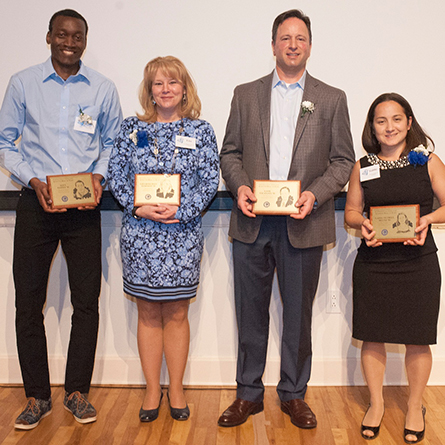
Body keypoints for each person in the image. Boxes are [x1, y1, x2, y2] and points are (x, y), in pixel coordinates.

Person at [219, 9, 355, 429]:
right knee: (250, 312)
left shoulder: (332, 98)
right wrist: (240, 186)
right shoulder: (246, 94)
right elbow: (230, 153)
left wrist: (315, 195)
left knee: (297, 316)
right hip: (252, 221)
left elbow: (342, 160)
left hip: (304, 222)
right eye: (285, 37)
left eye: (300, 38)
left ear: (310, 45)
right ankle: (248, 393)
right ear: (273, 44)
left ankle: (294, 393)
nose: (293, 44)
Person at [0, 9, 122, 430]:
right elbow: (5, 143)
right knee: (27, 303)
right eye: (62, 34)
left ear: (85, 40)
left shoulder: (103, 89)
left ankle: (76, 392)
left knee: (86, 304)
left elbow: (112, 142)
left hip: (85, 208)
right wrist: (32, 180)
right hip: (36, 205)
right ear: (48, 36)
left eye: (77, 36)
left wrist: (99, 176)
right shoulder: (23, 83)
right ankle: (36, 396)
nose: (70, 41)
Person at [108, 56, 219, 423]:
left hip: (182, 236)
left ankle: (177, 388)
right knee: (147, 312)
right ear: (149, 90)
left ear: (184, 88)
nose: (166, 89)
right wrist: (139, 208)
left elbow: (208, 181)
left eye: (173, 82)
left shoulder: (201, 131)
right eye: (158, 83)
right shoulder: (130, 129)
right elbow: (116, 175)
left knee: (177, 312)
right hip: (140, 235)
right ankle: (152, 389)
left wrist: (180, 210)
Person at [344, 93, 445, 443]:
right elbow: (352, 213)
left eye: (396, 119)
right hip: (374, 263)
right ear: (372, 127)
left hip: (418, 264)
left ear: (409, 122)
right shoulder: (363, 165)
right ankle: (376, 403)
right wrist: (364, 226)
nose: (389, 127)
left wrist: (428, 219)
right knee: (372, 335)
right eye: (381, 121)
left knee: (417, 338)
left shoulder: (427, 161)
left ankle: (415, 406)